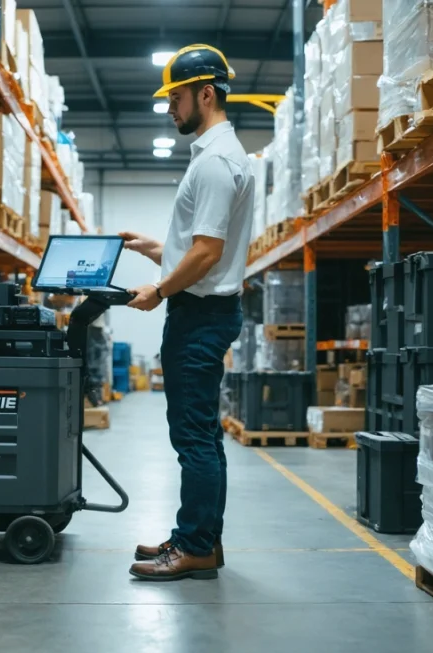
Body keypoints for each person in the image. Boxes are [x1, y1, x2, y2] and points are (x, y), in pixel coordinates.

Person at [121, 45, 255, 581]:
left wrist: (158, 289)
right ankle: (199, 538)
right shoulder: (213, 155)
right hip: (203, 311)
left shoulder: (217, 163)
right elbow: (194, 248)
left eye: (175, 98)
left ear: (206, 94)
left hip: (200, 316)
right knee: (201, 435)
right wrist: (155, 248)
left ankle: (195, 546)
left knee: (194, 438)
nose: (169, 109)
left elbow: (206, 254)